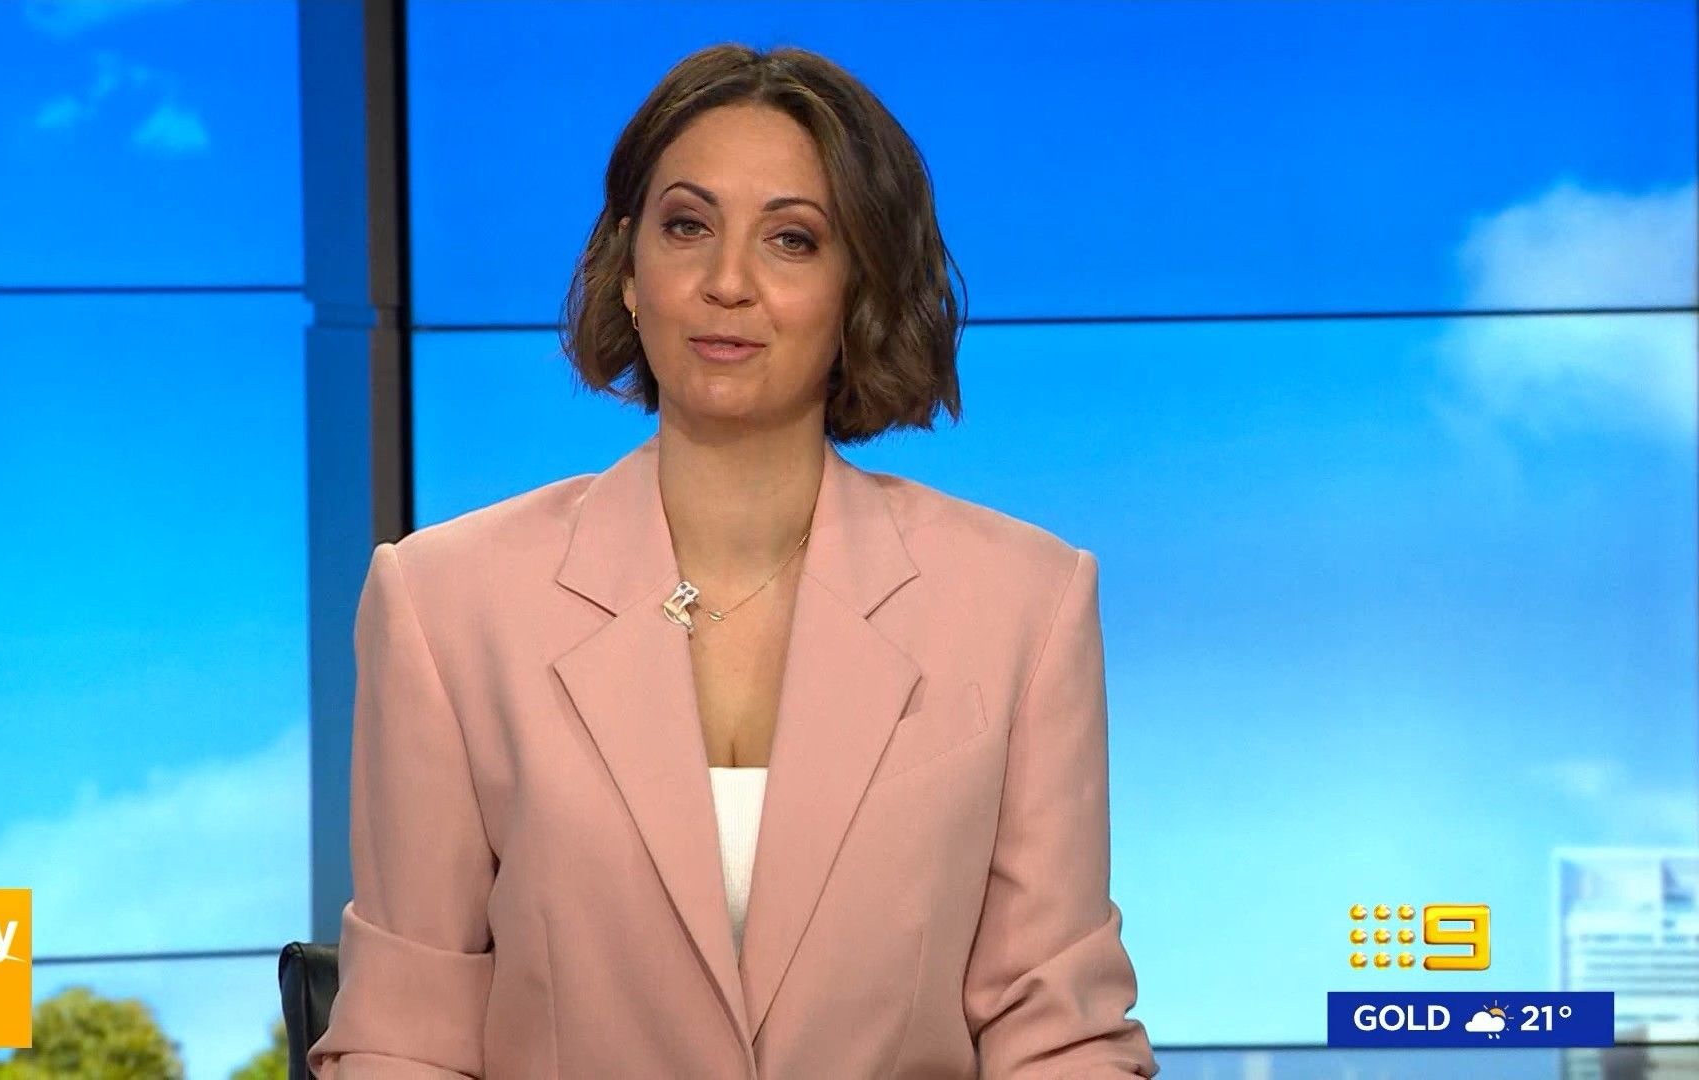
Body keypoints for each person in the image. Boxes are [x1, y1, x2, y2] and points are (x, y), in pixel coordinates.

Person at [307, 42, 1157, 1080]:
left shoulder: (1024, 604)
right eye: (687, 227)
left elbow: (1058, 1035)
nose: (726, 283)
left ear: (860, 288)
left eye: (792, 240)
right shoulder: (445, 604)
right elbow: (406, 1040)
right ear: (629, 270)